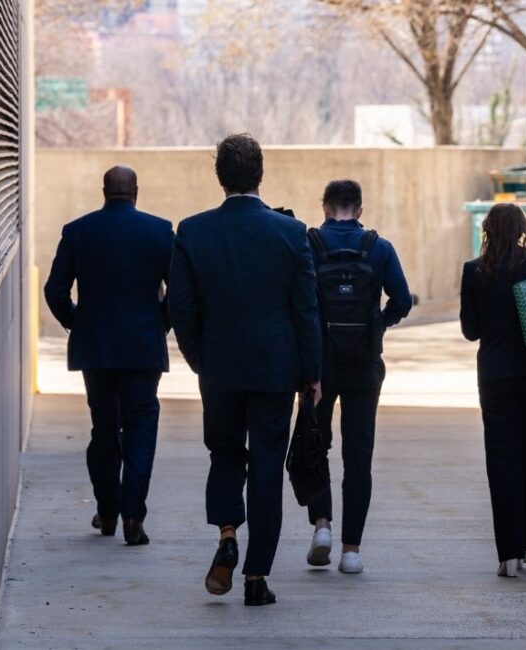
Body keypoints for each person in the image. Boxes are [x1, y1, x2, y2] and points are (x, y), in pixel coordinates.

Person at [169, 133, 322, 606]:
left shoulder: (192, 232)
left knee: (225, 453)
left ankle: (228, 531)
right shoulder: (291, 233)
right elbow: (306, 311)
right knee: (269, 466)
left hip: (220, 367)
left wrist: (200, 359)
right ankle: (256, 578)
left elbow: (181, 308)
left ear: (220, 176)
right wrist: (312, 374)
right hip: (276, 368)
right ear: (261, 173)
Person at [44, 165, 174, 546]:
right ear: (136, 192)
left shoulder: (78, 231)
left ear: (104, 191)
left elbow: (55, 290)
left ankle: (108, 511)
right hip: (142, 349)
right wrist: (158, 325)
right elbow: (181, 291)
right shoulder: (159, 231)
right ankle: (134, 514)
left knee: (103, 429)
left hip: (96, 349)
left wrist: (78, 322)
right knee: (141, 426)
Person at [302, 180, 411, 574]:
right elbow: (402, 299)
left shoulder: (310, 245)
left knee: (315, 445)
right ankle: (351, 551)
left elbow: (298, 304)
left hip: (319, 366)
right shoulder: (379, 248)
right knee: (358, 455)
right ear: (360, 210)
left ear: (324, 207)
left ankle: (322, 526)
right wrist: (377, 327)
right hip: (364, 366)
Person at [458, 202, 526, 577]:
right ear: (522, 227)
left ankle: (509, 554)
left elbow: (471, 330)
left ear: (486, 230)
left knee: (502, 461)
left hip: (497, 377)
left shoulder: (474, 271)